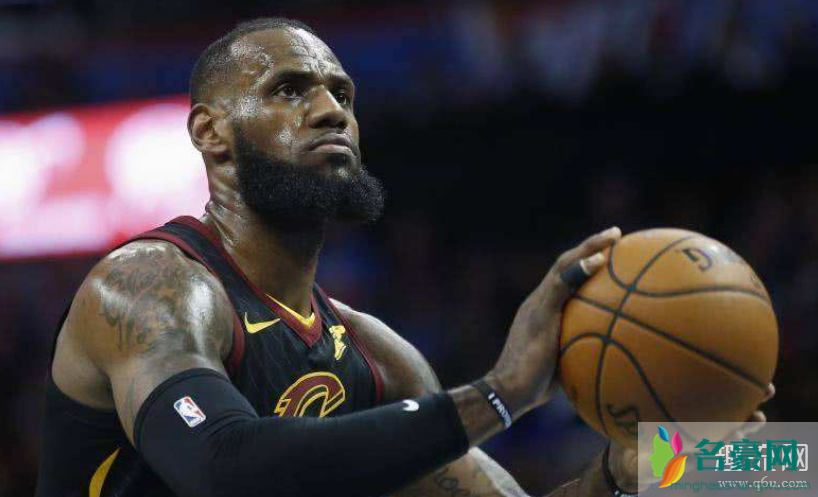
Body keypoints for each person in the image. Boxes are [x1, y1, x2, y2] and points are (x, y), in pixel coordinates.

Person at [35, 17, 771, 497]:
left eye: (342, 93)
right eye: (289, 89)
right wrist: (502, 392)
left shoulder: (376, 357)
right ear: (210, 132)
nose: (331, 110)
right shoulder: (145, 288)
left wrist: (644, 471)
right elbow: (222, 466)